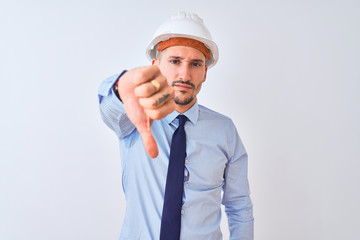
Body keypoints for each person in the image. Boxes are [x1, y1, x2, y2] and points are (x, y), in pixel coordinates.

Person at [98, 12, 254, 240]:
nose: (184, 74)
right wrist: (122, 87)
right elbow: (109, 107)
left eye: (195, 64)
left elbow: (239, 207)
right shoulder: (134, 117)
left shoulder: (225, 131)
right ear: (155, 66)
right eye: (175, 61)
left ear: (205, 73)